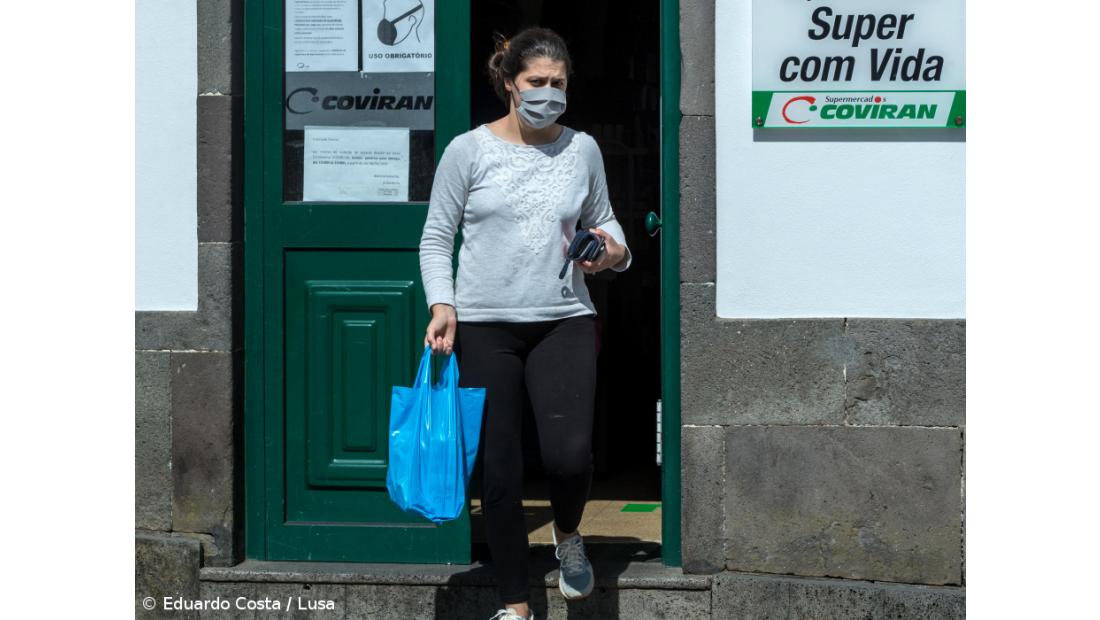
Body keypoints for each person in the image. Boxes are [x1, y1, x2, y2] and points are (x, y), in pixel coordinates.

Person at [418, 26, 633, 620]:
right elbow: (436, 237)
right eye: (537, 82)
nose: (548, 93)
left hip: (564, 318)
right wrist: (443, 304)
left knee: (569, 458)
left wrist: (611, 250)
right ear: (510, 83)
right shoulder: (468, 151)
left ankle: (568, 536)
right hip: (485, 325)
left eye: (558, 84)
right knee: (501, 471)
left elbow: (609, 224)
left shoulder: (581, 149)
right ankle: (515, 607)